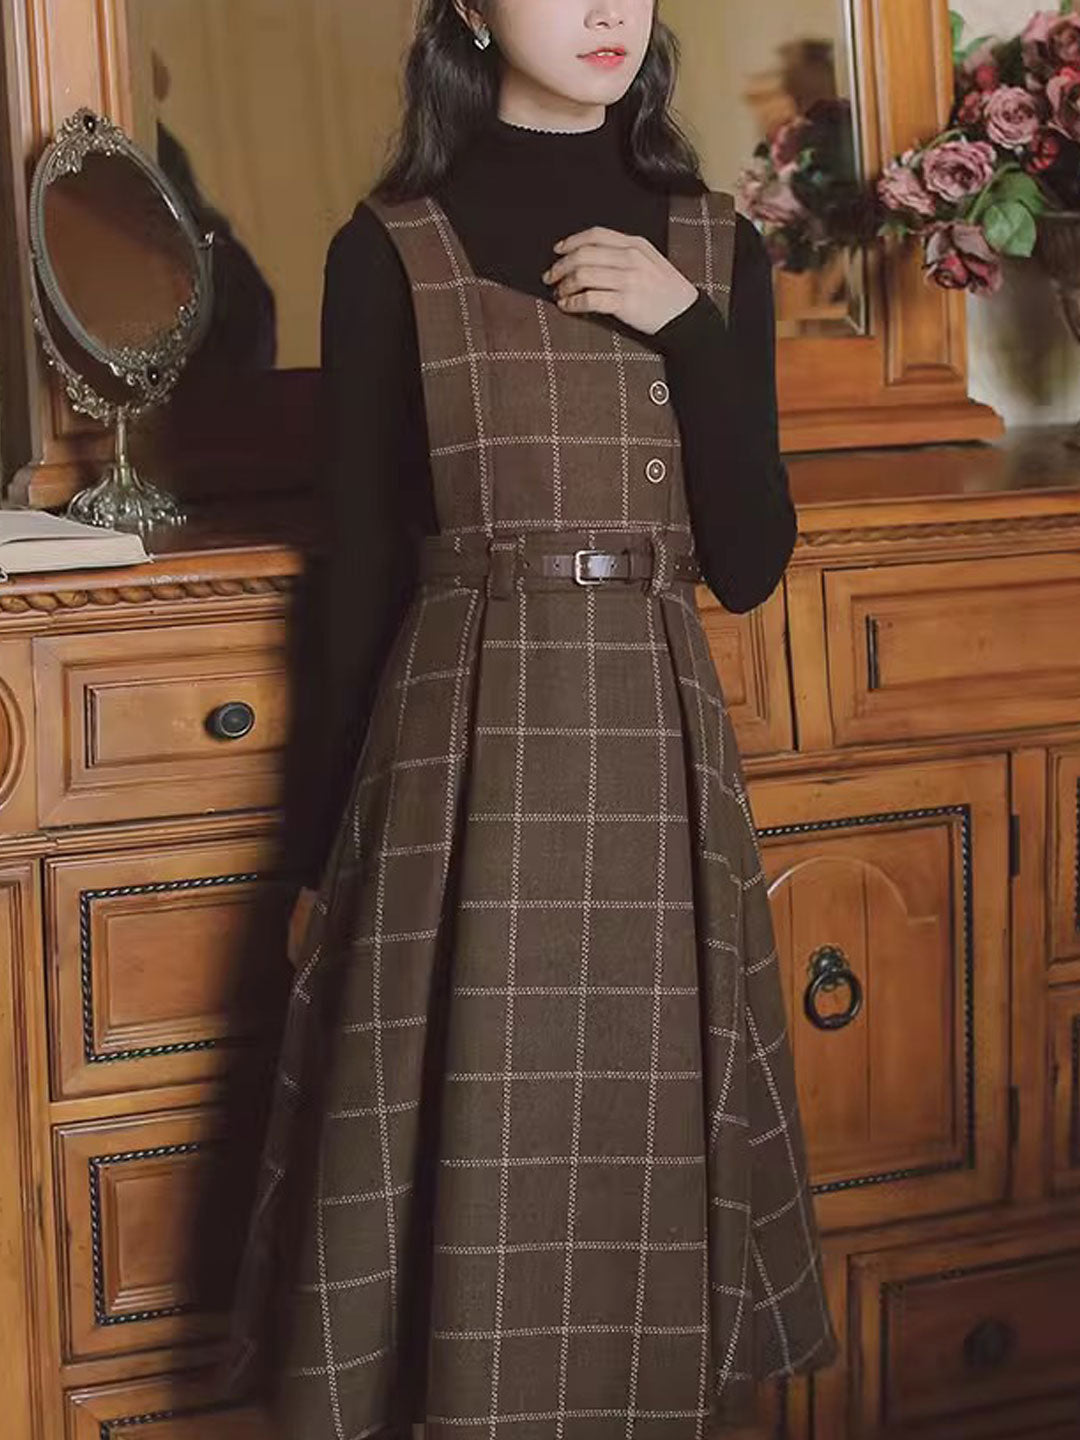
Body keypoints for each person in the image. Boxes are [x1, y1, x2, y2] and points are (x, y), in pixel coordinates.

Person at [223, 2, 837, 1435]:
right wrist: (315, 859)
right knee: (470, 1140)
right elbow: (358, 574)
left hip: (654, 749)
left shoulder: (713, 248)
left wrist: (689, 330)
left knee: (640, 1134)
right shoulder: (387, 248)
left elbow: (750, 563)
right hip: (460, 752)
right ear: (468, 8)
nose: (606, 8)